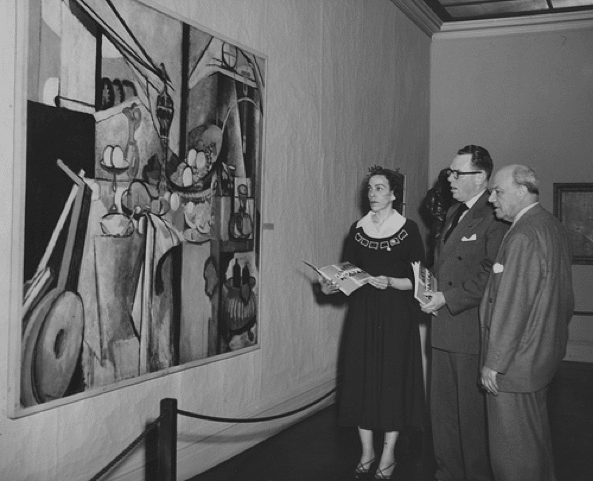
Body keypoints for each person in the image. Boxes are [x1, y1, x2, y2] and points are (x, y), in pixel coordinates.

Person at [320, 166, 426, 480]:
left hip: (396, 316)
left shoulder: (409, 230)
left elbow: (420, 283)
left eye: (380, 188)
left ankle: (389, 452)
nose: (373, 194)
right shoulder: (357, 229)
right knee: (361, 381)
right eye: (370, 189)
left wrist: (393, 282)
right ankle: (367, 451)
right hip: (363, 316)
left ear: (394, 195)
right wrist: (333, 285)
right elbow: (347, 273)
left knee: (391, 382)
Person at [479, 165, 574, 481]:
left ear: (521, 191)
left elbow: (512, 305)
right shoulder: (551, 225)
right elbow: (565, 300)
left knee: (512, 456)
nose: (492, 198)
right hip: (541, 356)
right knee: (534, 443)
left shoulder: (522, 234)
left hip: (515, 365)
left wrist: (494, 363)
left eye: (498, 191)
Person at [420, 145, 508, 481]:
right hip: (442, 328)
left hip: (468, 330)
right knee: (442, 417)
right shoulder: (455, 210)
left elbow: (491, 274)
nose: (450, 179)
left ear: (481, 177)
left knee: (470, 420)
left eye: (458, 173)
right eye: (450, 172)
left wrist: (447, 297)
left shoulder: (494, 214)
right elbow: (443, 263)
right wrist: (424, 283)